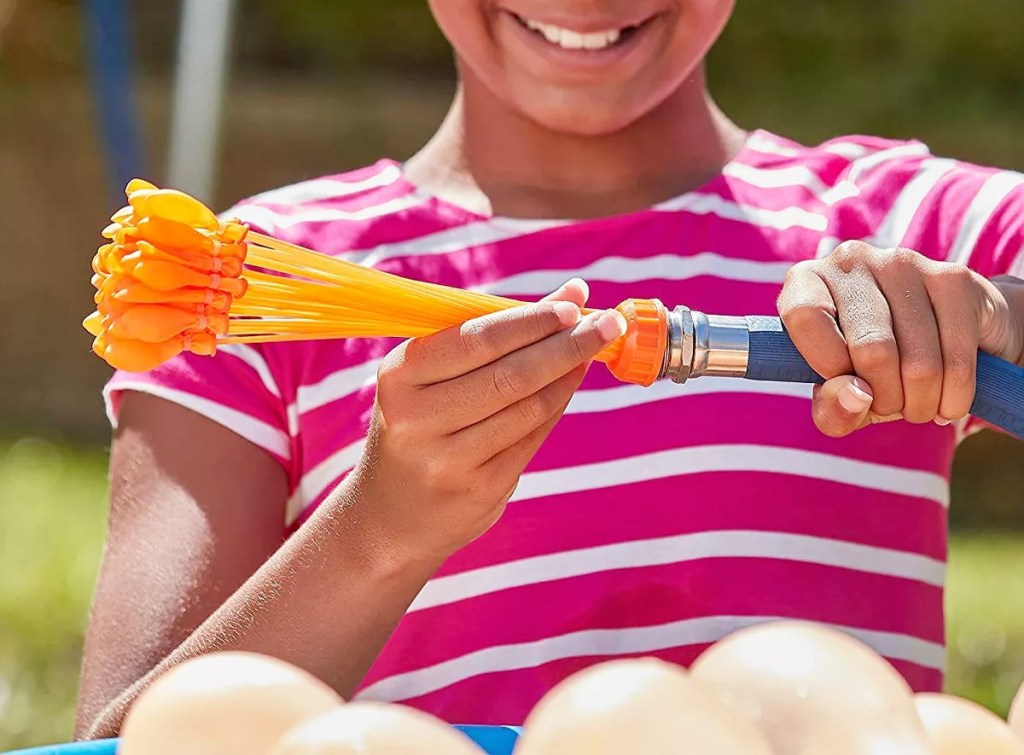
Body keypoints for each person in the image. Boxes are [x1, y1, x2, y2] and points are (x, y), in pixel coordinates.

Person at [77, 0, 1024, 738]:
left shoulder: (909, 230)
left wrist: (991, 313)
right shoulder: (256, 288)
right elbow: (130, 737)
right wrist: (383, 530)